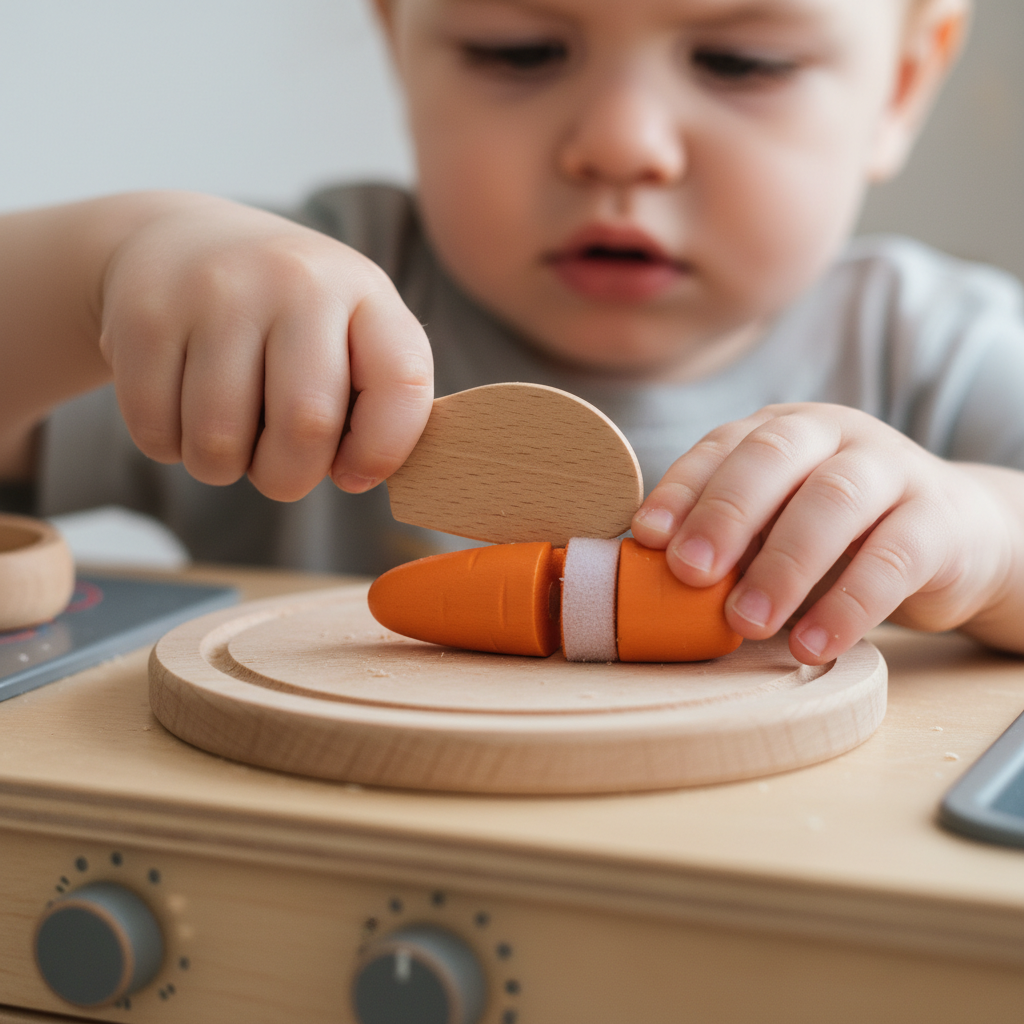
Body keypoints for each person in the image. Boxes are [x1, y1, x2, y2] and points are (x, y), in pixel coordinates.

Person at [0, 0, 1021, 666]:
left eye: (739, 61)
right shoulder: (281, 314)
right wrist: (100, 264)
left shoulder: (936, 351)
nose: (620, 143)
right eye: (516, 49)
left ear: (897, 84)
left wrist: (981, 539)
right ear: (399, 42)